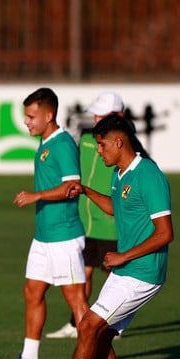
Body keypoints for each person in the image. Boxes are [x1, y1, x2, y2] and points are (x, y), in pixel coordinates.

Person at [43, 113, 173, 359]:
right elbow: (117, 208)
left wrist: (123, 256)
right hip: (125, 270)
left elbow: (165, 233)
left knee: (87, 324)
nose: (97, 151)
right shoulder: (119, 173)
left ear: (119, 142)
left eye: (101, 145)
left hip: (143, 272)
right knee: (99, 339)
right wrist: (86, 190)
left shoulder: (149, 175)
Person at [0, 87, 89, 359]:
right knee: (32, 291)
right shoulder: (46, 142)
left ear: (49, 115)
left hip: (64, 236)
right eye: (26, 116)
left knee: (76, 301)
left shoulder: (62, 144)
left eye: (31, 116)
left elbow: (73, 187)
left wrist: (36, 196)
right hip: (44, 236)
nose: (27, 122)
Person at [46, 91, 125, 340]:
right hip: (85, 219)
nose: (96, 117)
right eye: (96, 113)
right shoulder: (88, 138)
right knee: (82, 273)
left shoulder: (126, 143)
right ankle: (75, 322)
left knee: (115, 276)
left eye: (102, 113)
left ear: (119, 116)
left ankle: (114, 324)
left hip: (111, 222)